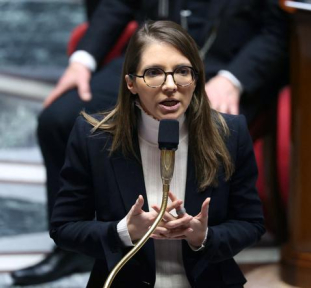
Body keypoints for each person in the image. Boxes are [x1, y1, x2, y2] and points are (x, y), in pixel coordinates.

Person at [11, 0, 288, 285]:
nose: (170, 87)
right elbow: (118, 4)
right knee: (58, 119)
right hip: (147, 58)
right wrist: (82, 60)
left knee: (212, 132)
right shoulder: (131, 85)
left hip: (225, 67)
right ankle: (79, 251)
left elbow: (277, 30)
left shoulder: (232, 128)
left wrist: (232, 79)